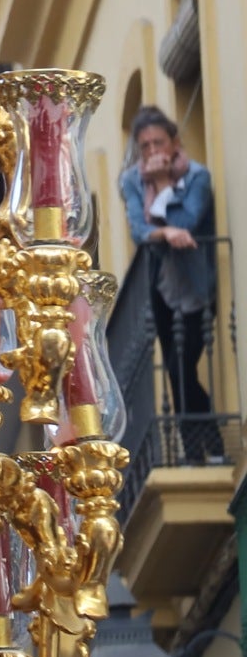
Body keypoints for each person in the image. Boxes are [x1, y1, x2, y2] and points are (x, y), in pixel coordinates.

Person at [118, 106, 217, 455]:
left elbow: (188, 218)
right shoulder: (131, 180)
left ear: (174, 143)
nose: (151, 153)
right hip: (162, 286)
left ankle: (210, 446)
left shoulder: (197, 178)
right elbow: (140, 230)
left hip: (198, 286)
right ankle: (201, 450)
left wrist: (162, 185)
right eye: (144, 146)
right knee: (177, 372)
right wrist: (166, 232)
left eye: (158, 143)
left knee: (181, 366)